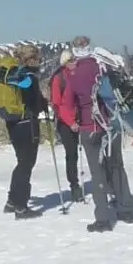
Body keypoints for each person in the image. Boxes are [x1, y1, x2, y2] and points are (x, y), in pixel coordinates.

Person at [60, 40, 133, 233]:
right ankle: (126, 209)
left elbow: (66, 104)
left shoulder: (73, 74)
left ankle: (102, 218)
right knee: (117, 165)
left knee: (97, 172)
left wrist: (72, 123)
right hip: (113, 124)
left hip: (89, 126)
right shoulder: (104, 66)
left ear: (75, 51)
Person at [0, 44, 47, 219]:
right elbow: (33, 103)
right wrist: (43, 103)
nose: (39, 61)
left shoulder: (12, 75)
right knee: (26, 164)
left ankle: (12, 201)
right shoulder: (28, 77)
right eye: (37, 58)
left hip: (12, 123)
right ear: (31, 59)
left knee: (21, 162)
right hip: (27, 123)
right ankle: (21, 206)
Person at [49, 48, 85, 202]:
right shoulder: (59, 79)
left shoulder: (76, 76)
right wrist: (71, 122)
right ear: (65, 62)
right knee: (72, 155)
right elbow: (57, 105)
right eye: (71, 60)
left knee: (79, 154)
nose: (75, 62)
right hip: (66, 123)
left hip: (78, 120)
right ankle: (74, 185)